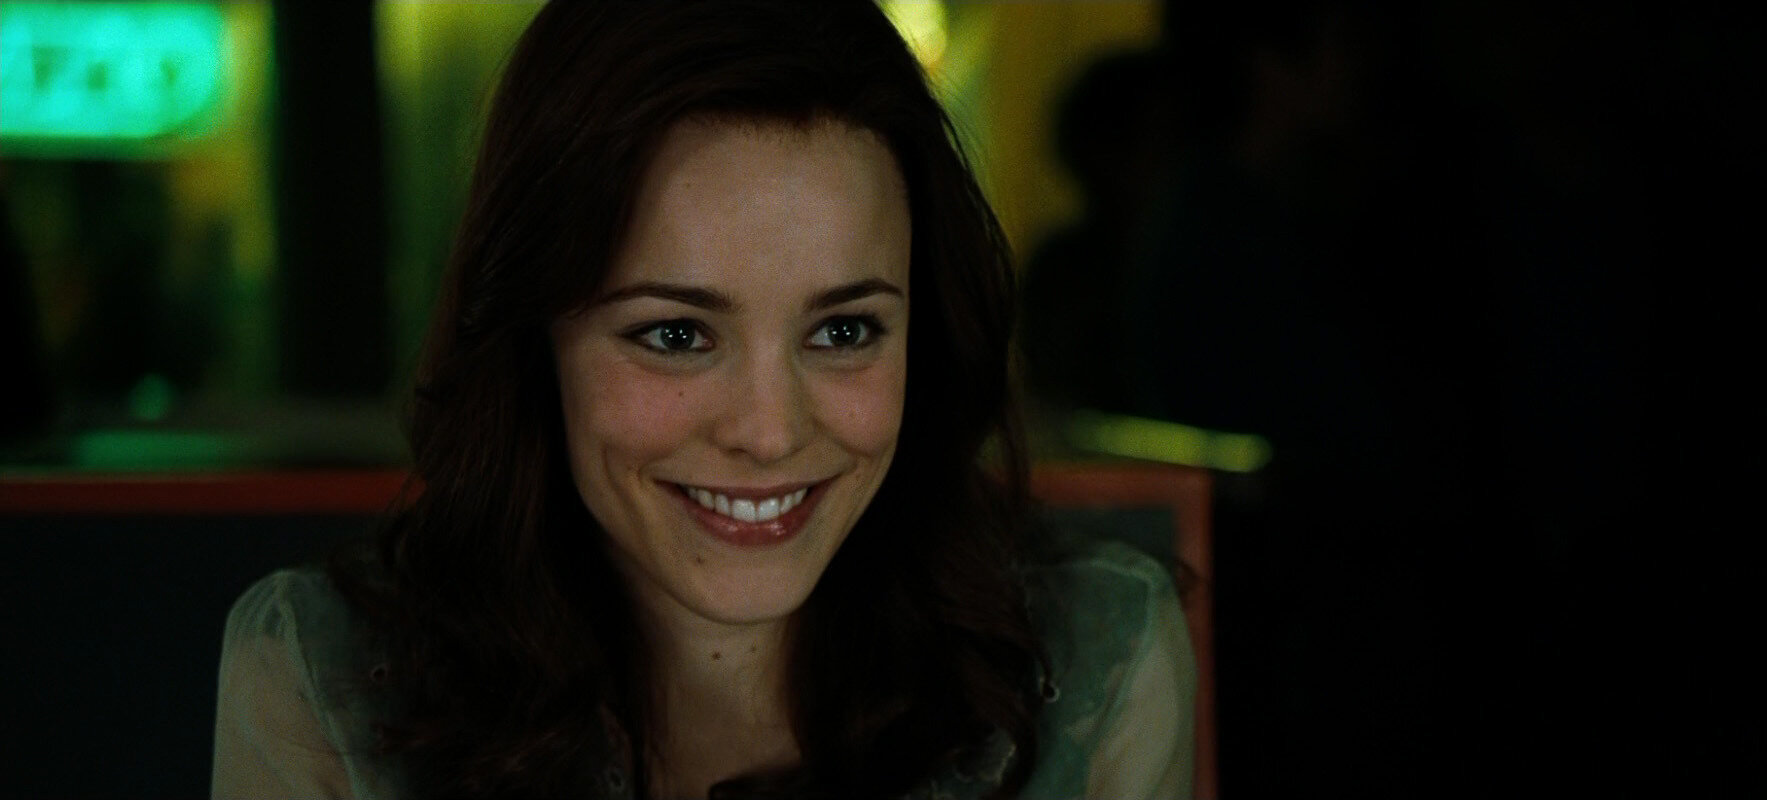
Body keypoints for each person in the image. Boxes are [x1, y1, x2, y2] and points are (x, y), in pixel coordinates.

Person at [210, 2, 1195, 798]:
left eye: (844, 331)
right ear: (531, 338)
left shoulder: (1093, 665)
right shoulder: (327, 683)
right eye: (676, 336)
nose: (770, 431)